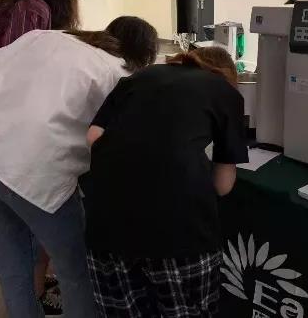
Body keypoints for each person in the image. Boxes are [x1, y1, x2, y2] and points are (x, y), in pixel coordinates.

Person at [0, 17, 159, 318]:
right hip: (31, 168)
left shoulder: (45, 37)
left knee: (12, 267)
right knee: (77, 272)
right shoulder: (119, 74)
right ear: (145, 55)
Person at [0, 0, 92, 315]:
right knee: (61, 260)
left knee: (12, 262)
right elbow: (20, 76)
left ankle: (34, 293)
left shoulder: (12, 1)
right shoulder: (31, 9)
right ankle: (42, 291)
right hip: (9, 143)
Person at [83, 47, 249, 317]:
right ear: (228, 75)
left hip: (107, 225)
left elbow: (93, 138)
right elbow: (223, 185)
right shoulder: (224, 91)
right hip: (180, 234)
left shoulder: (139, 77)